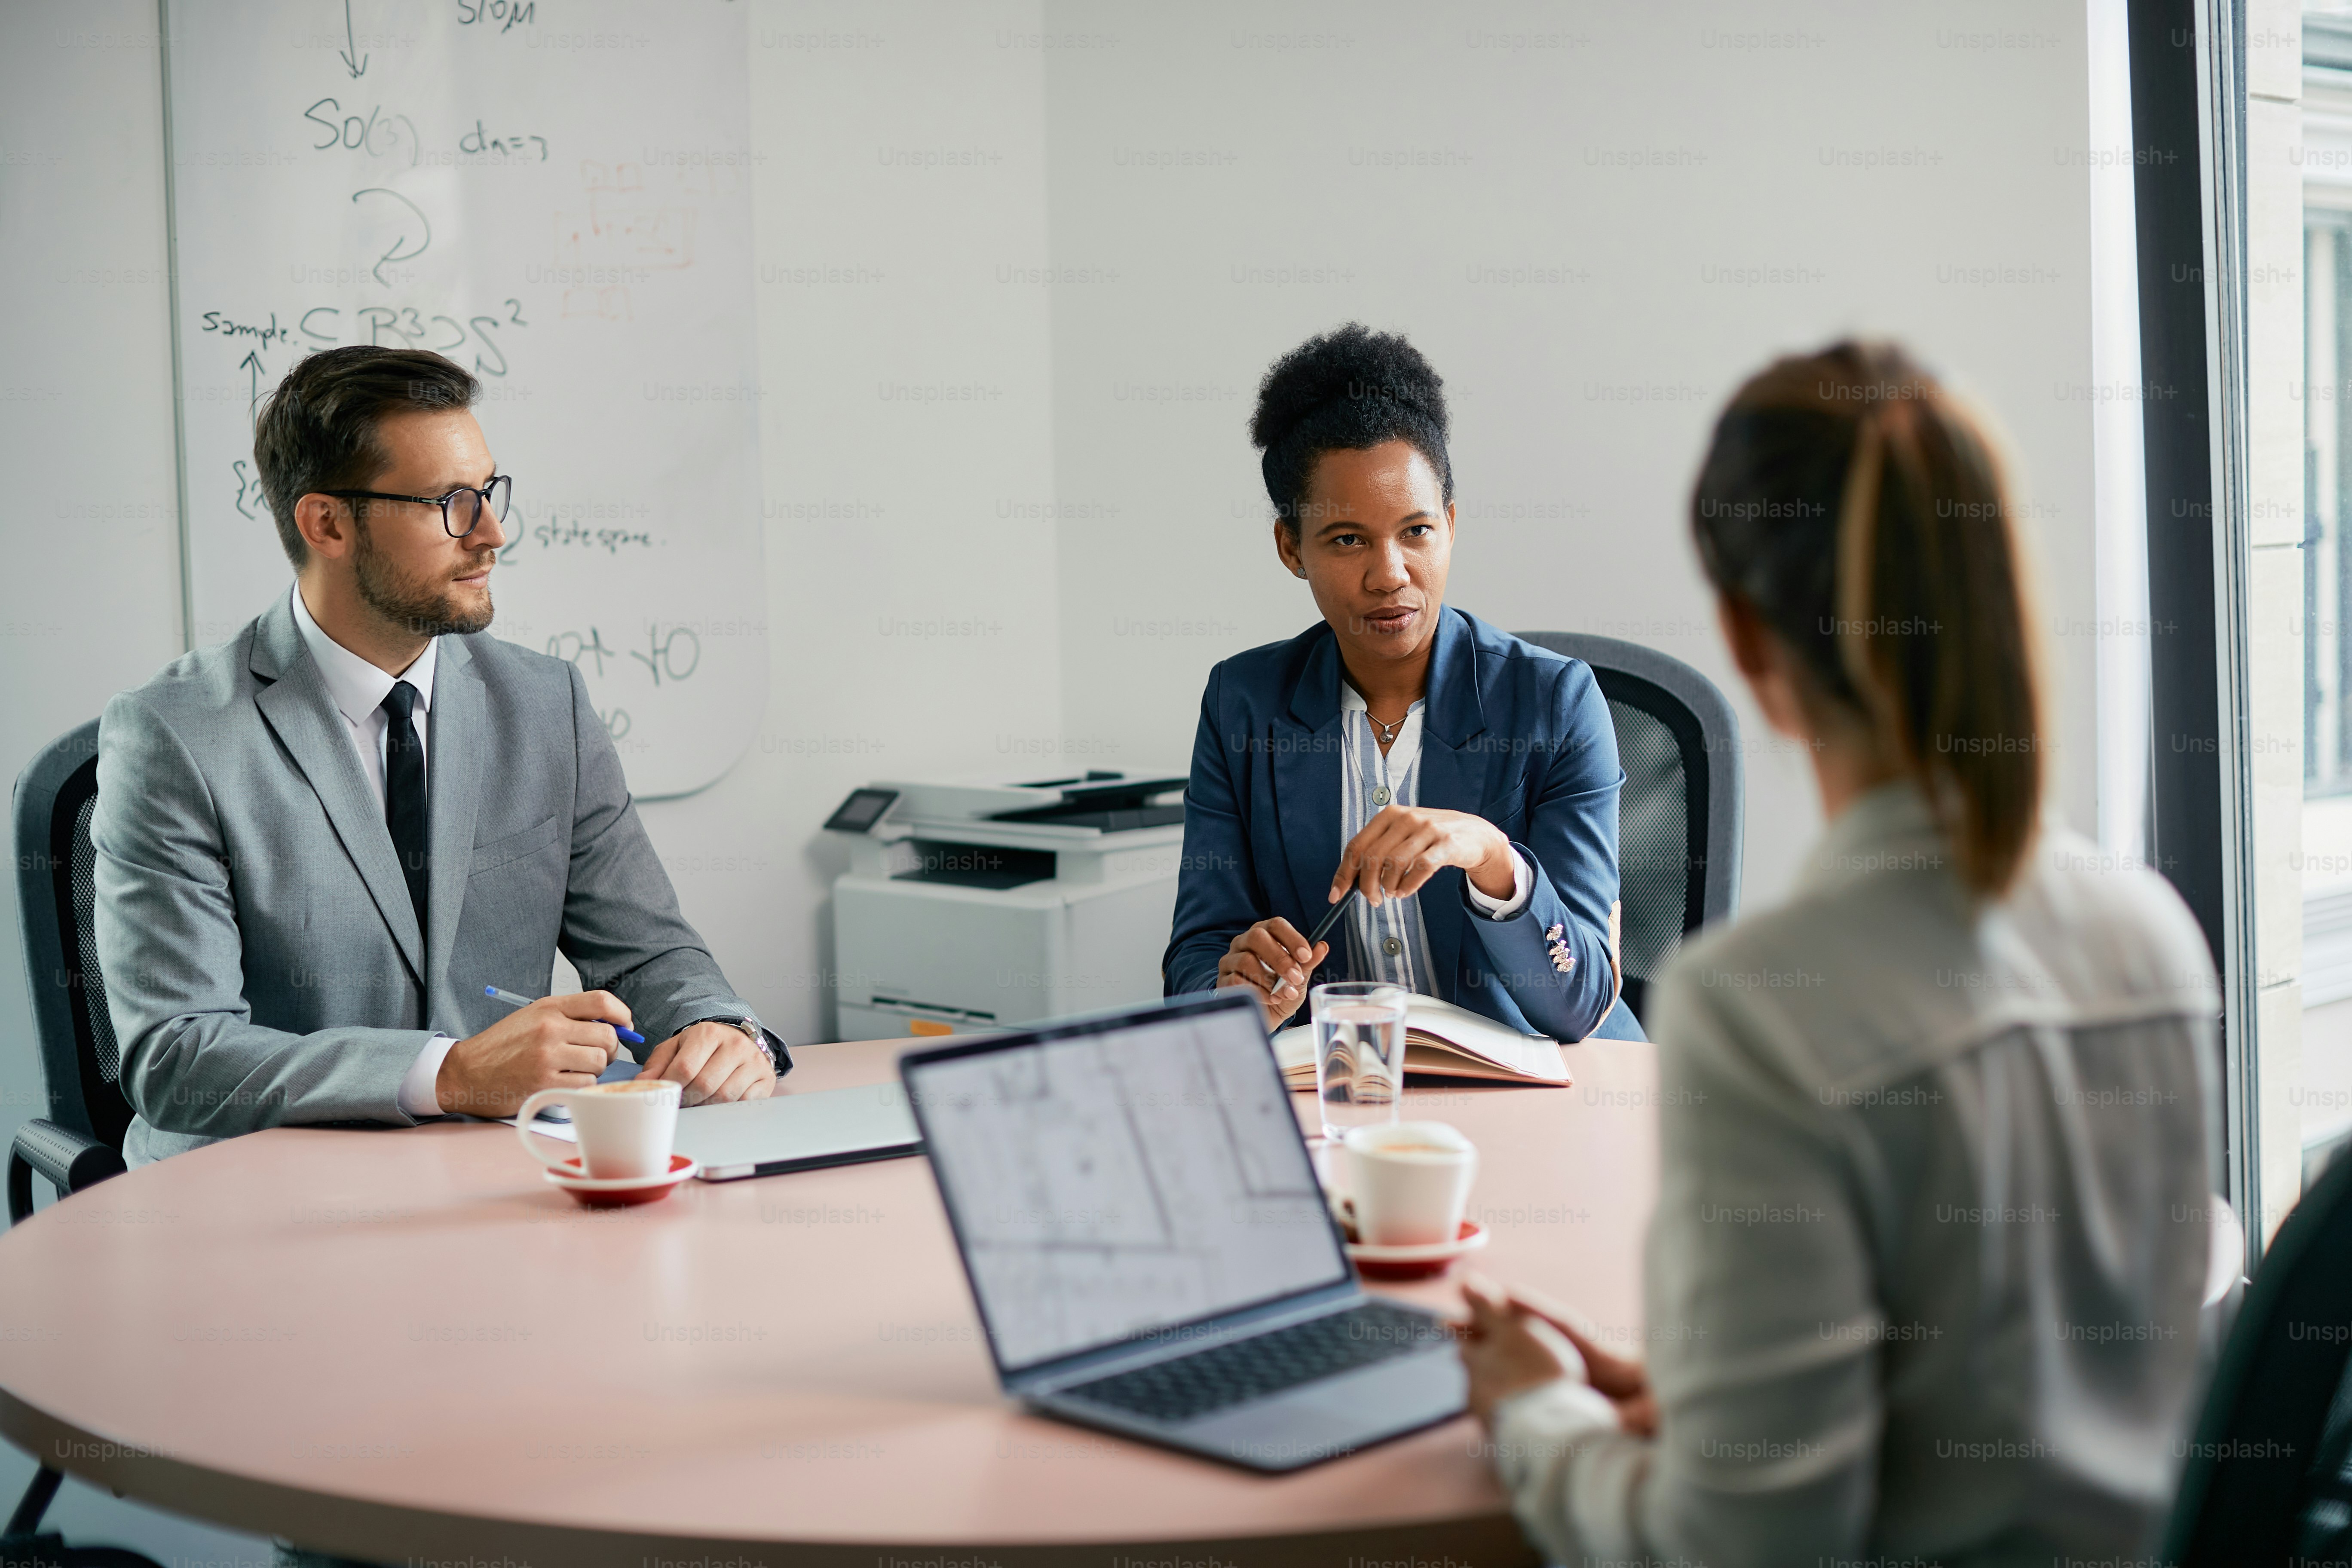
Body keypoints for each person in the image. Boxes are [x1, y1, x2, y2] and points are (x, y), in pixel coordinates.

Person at [1456, 340, 2219, 1562]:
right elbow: (2017, 1385)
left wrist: (1536, 1414)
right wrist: (1711, 1398)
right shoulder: (2154, 940)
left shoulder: (1761, 1009)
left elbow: (1734, 1551)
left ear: (1750, 647)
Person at [94, 346, 786, 1166]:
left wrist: (718, 1026)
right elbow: (178, 1058)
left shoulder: (545, 706)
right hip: (261, 1196)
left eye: (489, 493)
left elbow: (650, 950)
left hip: (491, 1179)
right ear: (328, 523)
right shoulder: (175, 736)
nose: (492, 533)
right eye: (451, 504)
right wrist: (448, 1074)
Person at [1164, 323, 1635, 1043]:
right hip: (1348, 1089)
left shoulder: (1555, 704)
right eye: (1348, 539)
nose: (1390, 574)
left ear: (1450, 525)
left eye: (1416, 531)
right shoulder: (1242, 705)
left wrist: (1492, 858)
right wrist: (1235, 992)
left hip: (1539, 1091)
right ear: (1292, 548)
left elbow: (1580, 1005)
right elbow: (1195, 963)